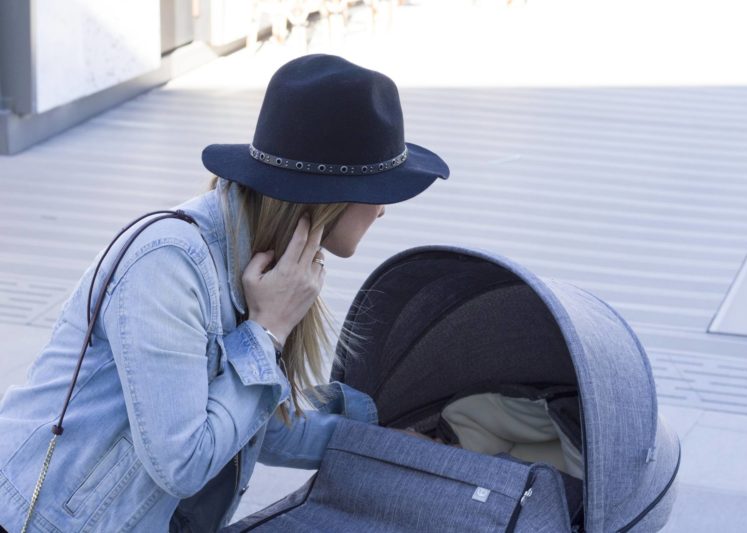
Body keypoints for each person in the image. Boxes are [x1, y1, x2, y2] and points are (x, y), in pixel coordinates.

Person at [0, 53, 449, 533]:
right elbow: (183, 463)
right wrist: (267, 330)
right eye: (380, 189)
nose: (383, 210)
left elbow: (253, 424)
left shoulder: (272, 265)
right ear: (330, 197)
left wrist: (386, 441)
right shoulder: (169, 265)